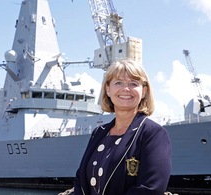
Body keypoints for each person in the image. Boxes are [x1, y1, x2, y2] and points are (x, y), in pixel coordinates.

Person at [73, 59, 172, 195]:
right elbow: (80, 181)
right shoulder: (98, 133)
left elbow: (150, 189)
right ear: (108, 89)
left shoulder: (153, 134)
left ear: (144, 92)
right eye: (118, 82)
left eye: (133, 83)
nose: (125, 89)